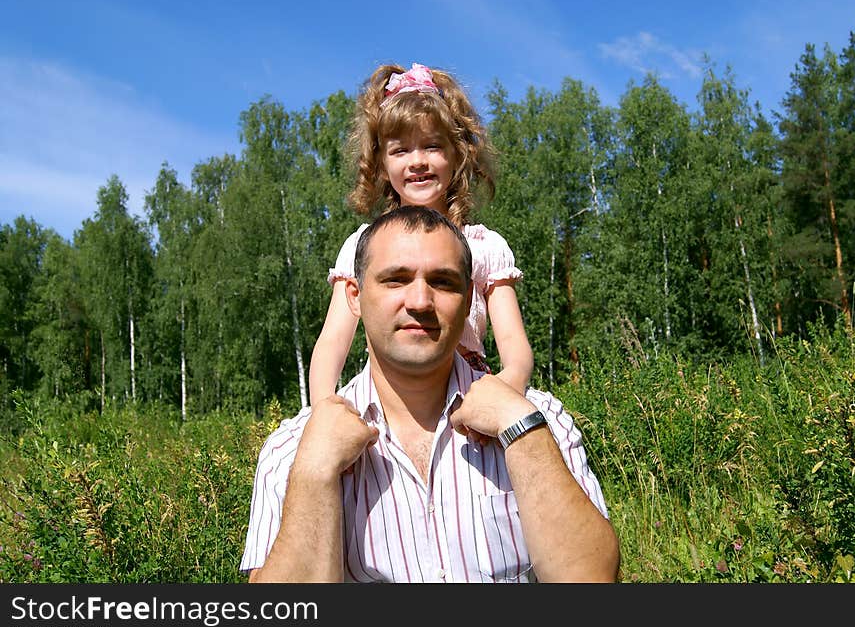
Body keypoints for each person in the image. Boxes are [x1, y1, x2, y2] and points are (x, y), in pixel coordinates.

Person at [241, 206, 620, 583]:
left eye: (443, 281)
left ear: (469, 296)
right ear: (354, 296)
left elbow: (593, 579)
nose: (420, 301)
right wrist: (314, 474)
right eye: (395, 280)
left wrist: (523, 432)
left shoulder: (539, 420)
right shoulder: (293, 449)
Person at [308, 62, 534, 404]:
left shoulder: (484, 247)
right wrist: (323, 408)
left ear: (457, 155)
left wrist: (502, 397)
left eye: (432, 146)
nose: (417, 161)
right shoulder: (361, 247)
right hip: (390, 399)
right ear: (381, 163)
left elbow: (515, 351)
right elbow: (331, 344)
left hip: (469, 399)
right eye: (400, 150)